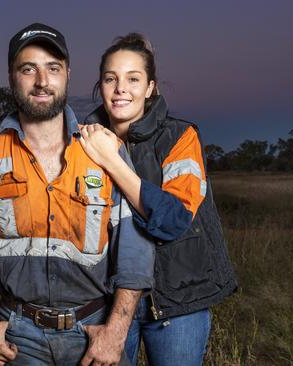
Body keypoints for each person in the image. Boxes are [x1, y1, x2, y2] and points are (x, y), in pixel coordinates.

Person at [0, 23, 155, 366]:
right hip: (18, 338)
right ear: (12, 77)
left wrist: (115, 333)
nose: (42, 81)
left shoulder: (104, 150)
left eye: (53, 68)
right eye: (28, 69)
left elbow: (134, 250)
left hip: (93, 331)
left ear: (68, 75)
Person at [78, 33, 237, 366]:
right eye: (111, 79)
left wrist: (111, 160)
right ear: (101, 86)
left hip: (178, 302)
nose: (121, 88)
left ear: (150, 87)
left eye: (133, 79)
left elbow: (172, 219)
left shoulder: (180, 137)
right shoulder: (82, 141)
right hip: (108, 301)